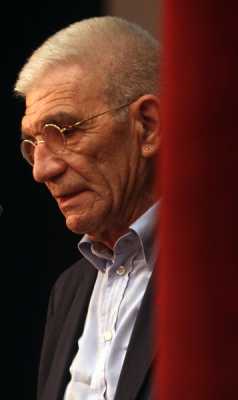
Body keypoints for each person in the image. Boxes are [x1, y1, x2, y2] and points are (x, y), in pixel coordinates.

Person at [15, 16, 160, 400]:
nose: (42, 170)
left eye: (64, 132)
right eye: (32, 144)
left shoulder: (221, 273)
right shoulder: (67, 291)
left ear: (147, 126)